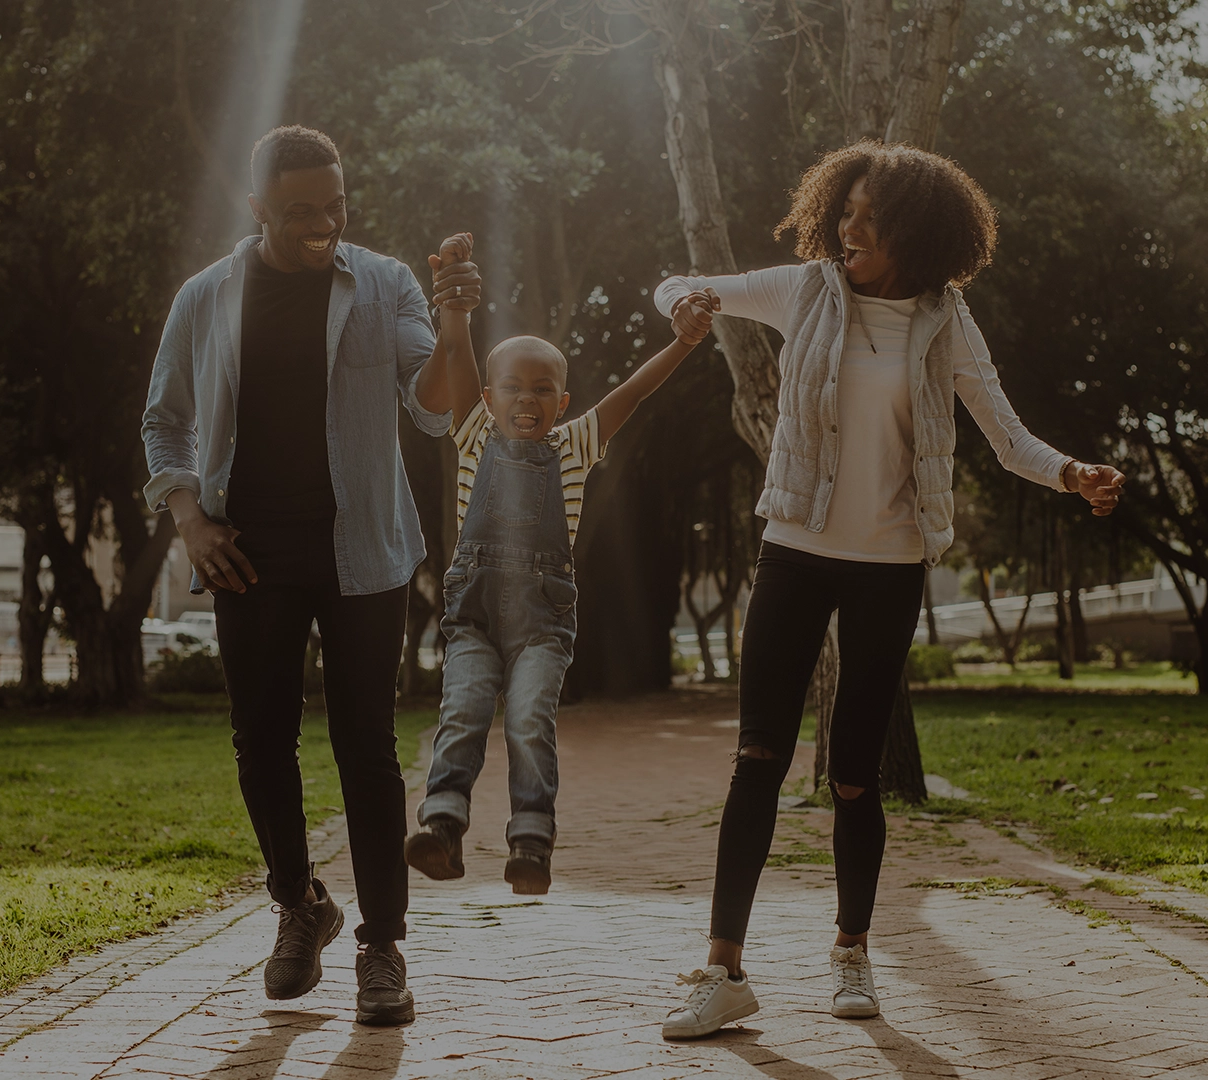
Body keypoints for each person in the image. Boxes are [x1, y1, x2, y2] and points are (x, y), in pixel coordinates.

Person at [651, 140, 1125, 1039]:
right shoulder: (805, 291)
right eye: (846, 208)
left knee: (858, 777)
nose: (848, 226)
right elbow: (677, 281)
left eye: (870, 215)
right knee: (757, 760)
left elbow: (1008, 436)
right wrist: (689, 303)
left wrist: (1072, 473)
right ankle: (722, 971)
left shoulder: (947, 322)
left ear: (919, 231)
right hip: (793, 549)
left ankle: (851, 954)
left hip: (889, 566)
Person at [139, 125, 482, 1027]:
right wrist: (189, 520)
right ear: (258, 210)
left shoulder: (385, 283)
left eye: (335, 205)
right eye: (301, 212)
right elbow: (164, 421)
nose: (323, 223)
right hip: (248, 551)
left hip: (362, 547)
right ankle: (300, 905)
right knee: (261, 742)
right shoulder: (207, 297)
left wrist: (455, 322)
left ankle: (381, 949)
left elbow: (435, 407)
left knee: (366, 747)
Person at [401, 234, 721, 895]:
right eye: (512, 388)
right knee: (461, 710)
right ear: (487, 399)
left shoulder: (575, 446)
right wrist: (455, 286)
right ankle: (442, 825)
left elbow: (633, 392)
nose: (526, 400)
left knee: (527, 718)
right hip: (474, 620)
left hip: (543, 625)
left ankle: (531, 841)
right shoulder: (472, 433)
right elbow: (457, 349)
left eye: (542, 389)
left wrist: (685, 343)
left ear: (563, 404)